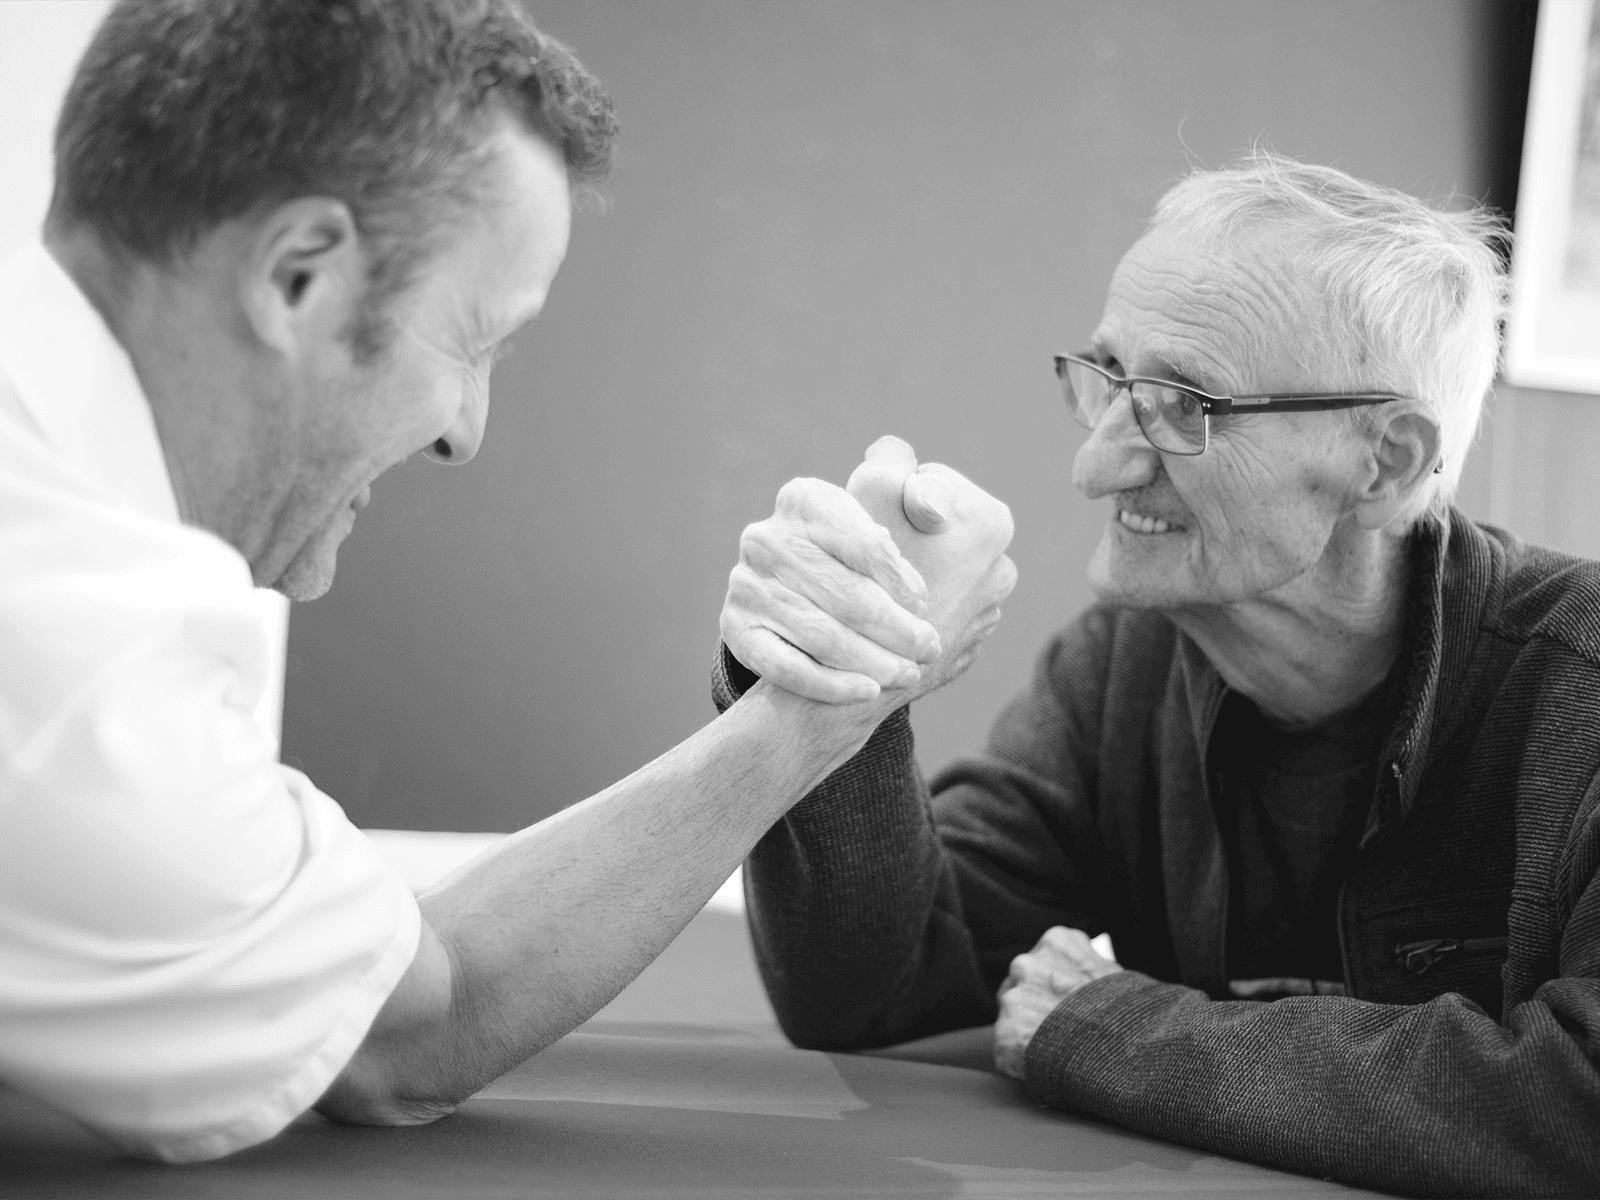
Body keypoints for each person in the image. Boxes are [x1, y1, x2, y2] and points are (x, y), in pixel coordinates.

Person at [0, 0, 1017, 1163]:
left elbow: (386, 970)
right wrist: (832, 699)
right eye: (472, 341)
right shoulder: (80, 663)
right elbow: (409, 1032)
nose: (465, 433)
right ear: (297, 276)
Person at [718, 155, 1600, 1196]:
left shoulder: (1580, 687)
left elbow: (1577, 1103)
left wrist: (1118, 1030)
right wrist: (842, 680)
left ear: (1387, 463)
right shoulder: (1120, 669)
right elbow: (874, 990)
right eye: (1107, 376)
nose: (1094, 465)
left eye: (1182, 403)